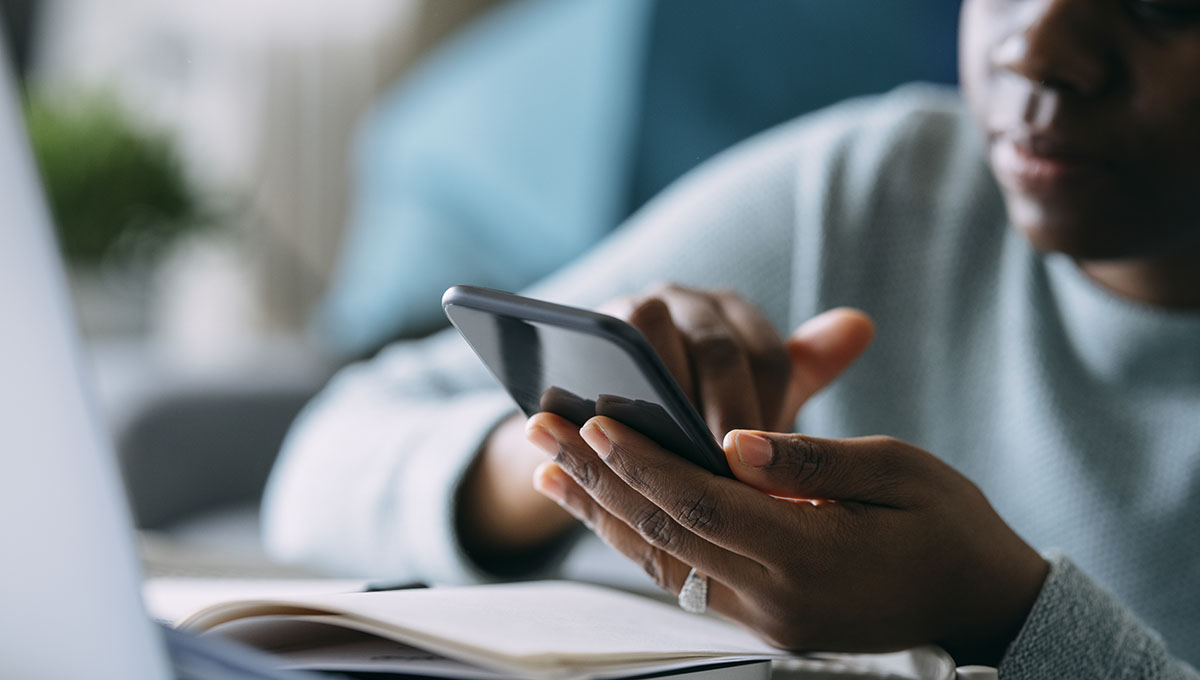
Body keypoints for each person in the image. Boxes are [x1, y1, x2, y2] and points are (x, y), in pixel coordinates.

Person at [262, 0, 1200, 675]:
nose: (1036, 45)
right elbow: (316, 468)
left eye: (1160, 8)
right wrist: (570, 455)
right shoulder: (877, 187)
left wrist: (1004, 617)